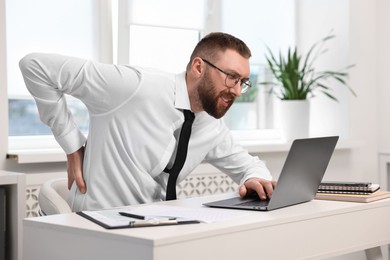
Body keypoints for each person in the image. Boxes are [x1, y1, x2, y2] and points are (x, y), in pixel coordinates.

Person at [19, 32, 276, 211]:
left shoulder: (209, 125)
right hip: (98, 227)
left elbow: (250, 166)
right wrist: (72, 144)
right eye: (231, 77)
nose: (237, 91)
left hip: (156, 231)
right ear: (198, 67)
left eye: (243, 82)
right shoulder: (135, 86)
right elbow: (35, 66)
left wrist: (255, 178)